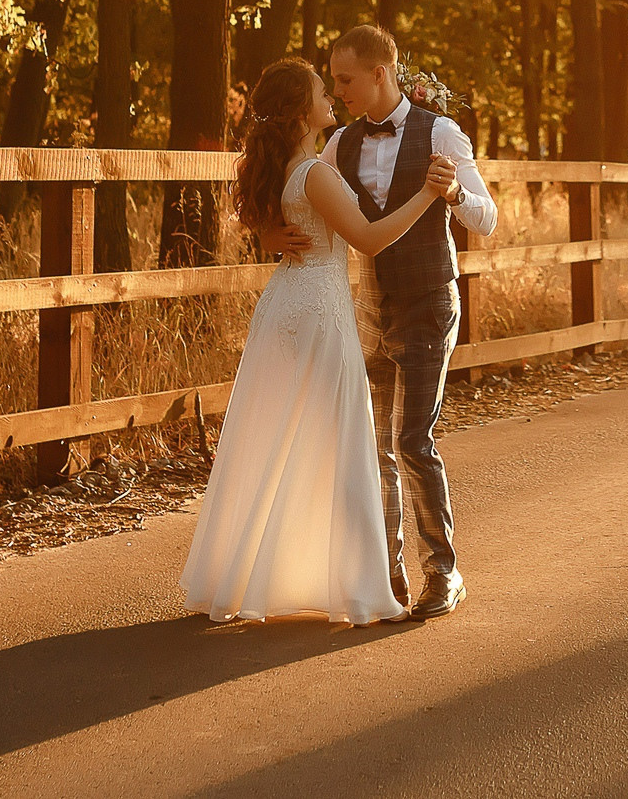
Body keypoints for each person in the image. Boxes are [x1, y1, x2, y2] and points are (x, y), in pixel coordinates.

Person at [177, 56, 450, 626]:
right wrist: (428, 194)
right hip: (322, 312)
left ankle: (258, 572)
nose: (332, 97)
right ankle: (354, 585)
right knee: (341, 439)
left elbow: (265, 219)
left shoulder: (284, 166)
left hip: (285, 304)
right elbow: (369, 239)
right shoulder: (314, 173)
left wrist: (268, 234)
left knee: (280, 433)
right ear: (302, 109)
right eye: (322, 91)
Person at [260, 23, 495, 620]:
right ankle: (386, 575)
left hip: (428, 300)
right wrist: (268, 232)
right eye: (333, 83)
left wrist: (451, 195)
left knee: (412, 440)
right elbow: (292, 187)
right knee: (375, 447)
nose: (337, 91)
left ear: (379, 73)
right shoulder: (339, 143)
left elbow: (488, 219)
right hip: (365, 307)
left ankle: (443, 572)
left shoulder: (440, 132)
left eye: (345, 80)